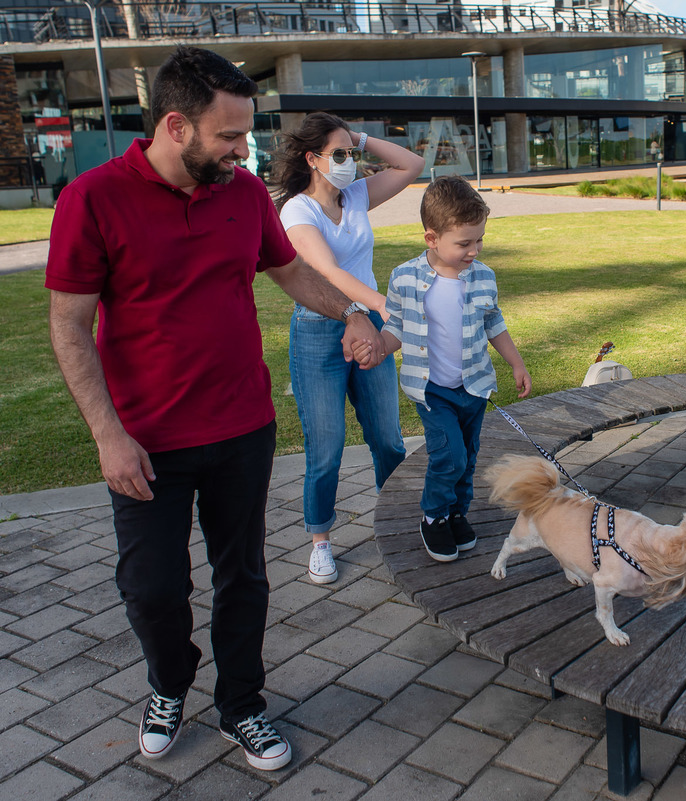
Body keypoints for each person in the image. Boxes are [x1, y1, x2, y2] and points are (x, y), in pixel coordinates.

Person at [45, 46, 386, 772]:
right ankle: (170, 682)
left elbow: (290, 270)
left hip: (241, 427)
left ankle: (242, 704)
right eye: (230, 136)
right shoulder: (94, 198)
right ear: (176, 125)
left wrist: (353, 312)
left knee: (245, 577)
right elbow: (69, 325)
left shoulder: (243, 194)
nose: (245, 150)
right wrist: (107, 435)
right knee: (152, 587)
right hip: (145, 440)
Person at [273, 113, 423, 585]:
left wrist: (358, 136)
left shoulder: (356, 195)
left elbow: (412, 164)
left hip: (373, 324)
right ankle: (320, 541)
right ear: (312, 159)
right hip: (319, 329)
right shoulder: (297, 211)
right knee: (327, 447)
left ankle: (399, 521)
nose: (348, 162)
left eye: (351, 154)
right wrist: (390, 306)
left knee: (386, 436)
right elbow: (330, 275)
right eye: (337, 155)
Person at [360, 175, 531, 562]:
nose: (474, 250)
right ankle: (434, 516)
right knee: (448, 454)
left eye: (479, 240)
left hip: (472, 386)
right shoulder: (405, 277)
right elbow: (396, 328)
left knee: (468, 456)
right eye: (464, 243)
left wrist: (516, 363)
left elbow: (494, 324)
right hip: (432, 389)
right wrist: (379, 348)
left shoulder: (483, 276)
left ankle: (457, 512)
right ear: (432, 238)